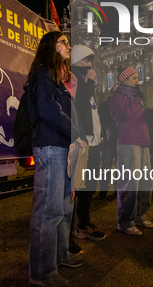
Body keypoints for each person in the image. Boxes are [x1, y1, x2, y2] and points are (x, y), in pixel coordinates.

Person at [26, 31, 86, 287]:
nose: (68, 45)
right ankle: (41, 272)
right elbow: (49, 109)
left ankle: (61, 256)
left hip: (64, 147)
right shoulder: (42, 73)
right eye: (63, 42)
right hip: (50, 148)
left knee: (64, 208)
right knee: (47, 212)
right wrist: (74, 131)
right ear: (52, 46)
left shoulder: (60, 78)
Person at [110, 67, 153, 236]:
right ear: (124, 79)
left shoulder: (136, 98)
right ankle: (125, 221)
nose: (137, 80)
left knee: (145, 182)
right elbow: (126, 114)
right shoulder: (117, 97)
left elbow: (138, 116)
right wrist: (137, 100)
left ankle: (140, 215)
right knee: (130, 183)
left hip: (142, 140)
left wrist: (151, 113)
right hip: (128, 142)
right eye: (134, 77)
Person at [70, 45, 106, 241]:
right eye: (86, 61)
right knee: (78, 187)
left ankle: (83, 225)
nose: (90, 65)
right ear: (76, 62)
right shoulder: (75, 81)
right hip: (82, 144)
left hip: (94, 143)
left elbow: (93, 113)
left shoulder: (87, 83)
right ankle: (73, 229)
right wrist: (90, 83)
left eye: (91, 61)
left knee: (89, 186)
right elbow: (80, 105)